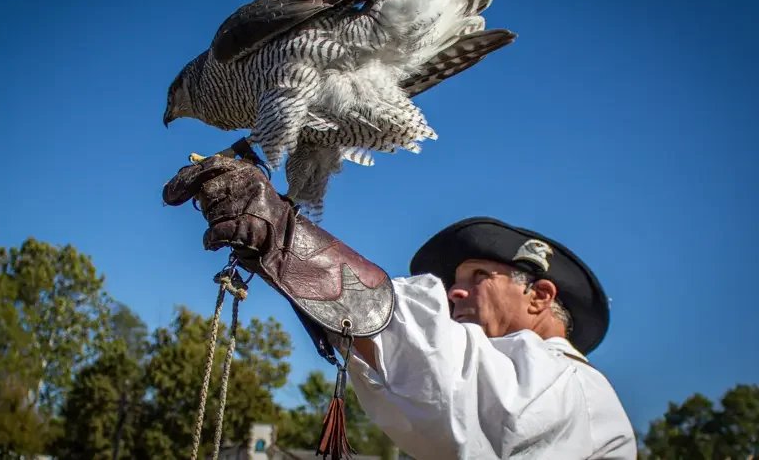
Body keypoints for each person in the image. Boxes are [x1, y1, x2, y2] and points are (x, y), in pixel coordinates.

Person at [163, 155, 637, 459]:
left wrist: (287, 240)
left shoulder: (575, 388)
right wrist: (282, 255)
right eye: (455, 281)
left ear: (540, 296)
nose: (454, 291)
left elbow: (449, 376)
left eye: (479, 277)